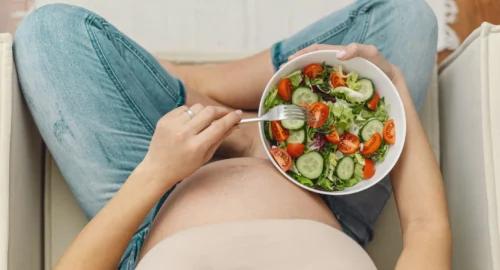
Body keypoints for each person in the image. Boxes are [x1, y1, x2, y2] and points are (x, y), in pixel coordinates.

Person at [13, 0, 452, 269]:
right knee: (407, 18)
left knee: (48, 33)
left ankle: (198, 95)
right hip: (331, 202)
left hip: (154, 203)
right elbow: (426, 228)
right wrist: (389, 81)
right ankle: (224, 103)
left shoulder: (155, 179)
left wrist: (156, 173)